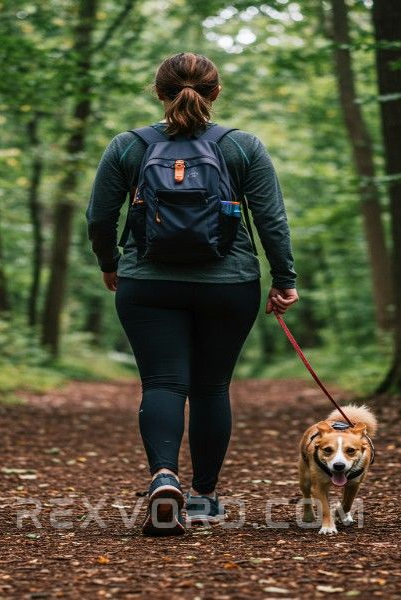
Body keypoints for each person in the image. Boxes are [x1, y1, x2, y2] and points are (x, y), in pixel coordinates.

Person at [85, 52, 298, 536]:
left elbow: (99, 217)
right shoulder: (242, 146)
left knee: (162, 384)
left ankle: (164, 477)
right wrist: (284, 278)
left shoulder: (128, 145)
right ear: (216, 92)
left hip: (147, 282)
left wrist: (110, 263)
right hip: (230, 283)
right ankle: (203, 497)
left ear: (159, 92)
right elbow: (271, 219)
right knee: (210, 388)